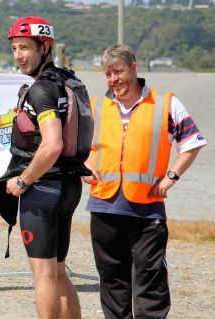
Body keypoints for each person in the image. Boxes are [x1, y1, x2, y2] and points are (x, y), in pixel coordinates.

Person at [83, 44, 207, 319]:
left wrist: (171, 177)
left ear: (134, 68)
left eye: (118, 71)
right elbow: (79, 147)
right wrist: (84, 165)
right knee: (113, 281)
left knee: (150, 283)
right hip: (104, 207)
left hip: (147, 209)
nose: (113, 79)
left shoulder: (165, 103)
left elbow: (193, 143)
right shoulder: (97, 106)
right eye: (108, 74)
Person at [0, 16, 92, 319]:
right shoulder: (68, 80)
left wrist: (23, 181)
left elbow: (52, 144)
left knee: (44, 277)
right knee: (59, 274)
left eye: (24, 47)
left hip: (44, 190)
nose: (18, 55)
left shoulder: (41, 90)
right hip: (69, 186)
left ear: (44, 47)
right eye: (14, 48)